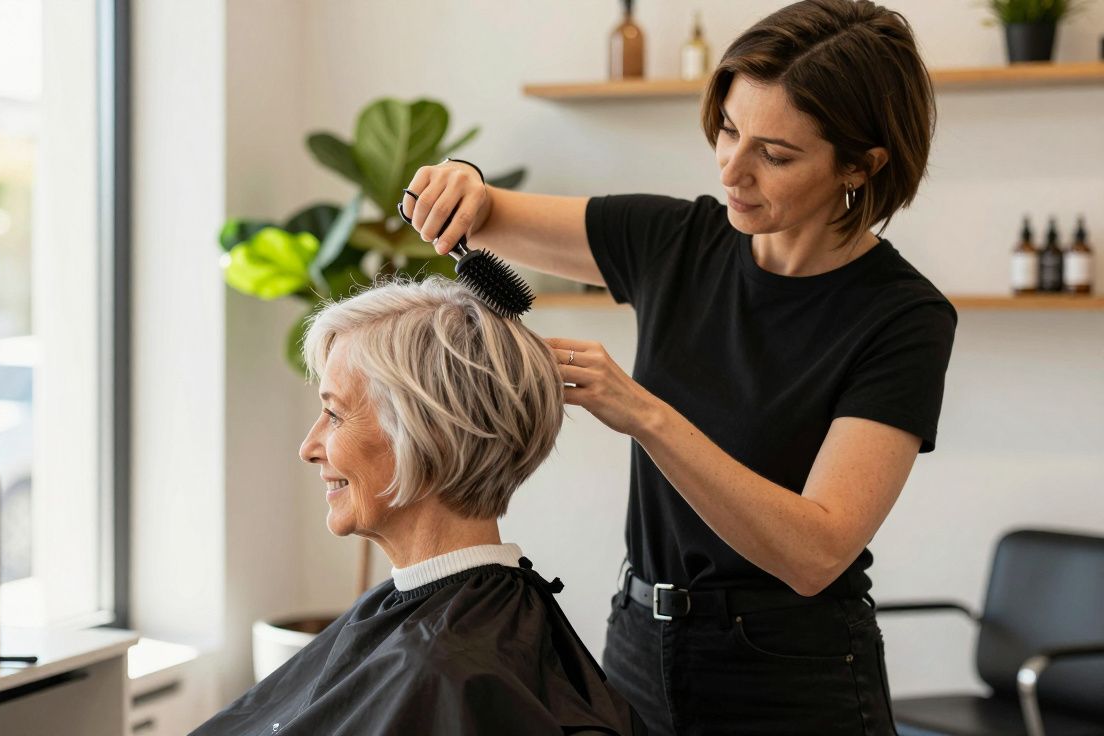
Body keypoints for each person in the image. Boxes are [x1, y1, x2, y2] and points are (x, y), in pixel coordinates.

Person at [399, 1, 955, 733]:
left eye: (776, 154)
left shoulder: (901, 317)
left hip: (791, 674)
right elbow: (481, 210)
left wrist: (645, 414)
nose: (732, 167)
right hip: (637, 643)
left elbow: (815, 552)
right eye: (728, 128)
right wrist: (458, 182)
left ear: (860, 164)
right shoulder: (676, 240)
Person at [192, 277, 641, 735]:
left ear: (427, 435)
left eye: (334, 414)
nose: (308, 447)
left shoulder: (446, 670)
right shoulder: (459, 627)